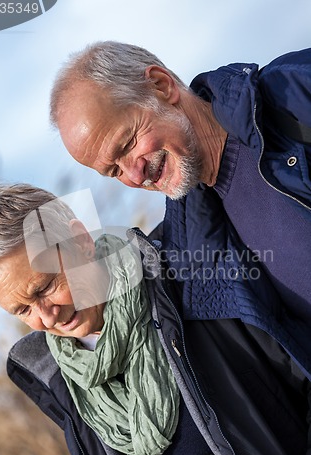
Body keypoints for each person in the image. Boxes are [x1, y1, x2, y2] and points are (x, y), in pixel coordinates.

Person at [0, 183, 311, 455]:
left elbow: (298, 371)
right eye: (23, 309)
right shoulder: (59, 382)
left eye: (46, 287)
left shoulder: (187, 276)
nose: (47, 317)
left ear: (80, 240)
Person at [49, 41, 311, 329]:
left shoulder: (297, 92)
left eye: (127, 144)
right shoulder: (188, 253)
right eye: (113, 171)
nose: (135, 176)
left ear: (162, 86)